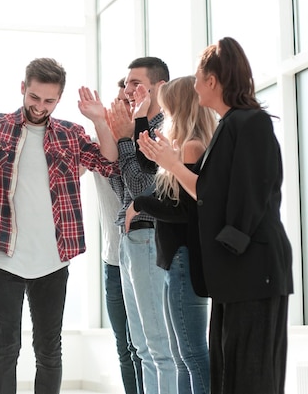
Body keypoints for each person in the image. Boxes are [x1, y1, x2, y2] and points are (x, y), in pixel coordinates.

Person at [0, 57, 119, 394]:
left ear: (59, 99)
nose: (40, 106)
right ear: (23, 88)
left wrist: (99, 121)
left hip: (53, 258)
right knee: (5, 348)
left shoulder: (70, 134)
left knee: (49, 351)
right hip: (3, 255)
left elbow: (108, 162)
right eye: (34, 98)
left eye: (49, 101)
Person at [137, 37, 293, 394]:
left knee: (252, 375)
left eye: (196, 77)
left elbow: (249, 197)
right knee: (229, 373)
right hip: (234, 272)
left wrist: (174, 164)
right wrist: (172, 164)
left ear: (212, 81)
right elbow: (208, 195)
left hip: (253, 271)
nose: (192, 85)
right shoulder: (229, 126)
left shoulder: (251, 123)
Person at [126, 76, 216, 394]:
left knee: (190, 355)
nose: (164, 114)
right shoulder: (184, 146)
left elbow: (182, 210)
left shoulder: (192, 146)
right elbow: (146, 164)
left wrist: (139, 204)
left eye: (166, 108)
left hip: (184, 258)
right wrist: (140, 116)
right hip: (176, 260)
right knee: (182, 356)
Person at [100, 57, 175, 394]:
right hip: (129, 239)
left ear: (159, 87)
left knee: (159, 346)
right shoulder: (134, 127)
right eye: (127, 83)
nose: (128, 90)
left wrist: (127, 140)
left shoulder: (162, 129)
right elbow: (123, 191)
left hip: (149, 238)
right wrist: (121, 137)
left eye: (135, 83)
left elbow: (144, 191)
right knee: (141, 346)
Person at [91, 78, 143, 394]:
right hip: (112, 261)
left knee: (143, 347)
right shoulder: (101, 143)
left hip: (142, 256)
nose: (120, 110)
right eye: (117, 104)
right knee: (124, 347)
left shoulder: (142, 146)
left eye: (127, 104)